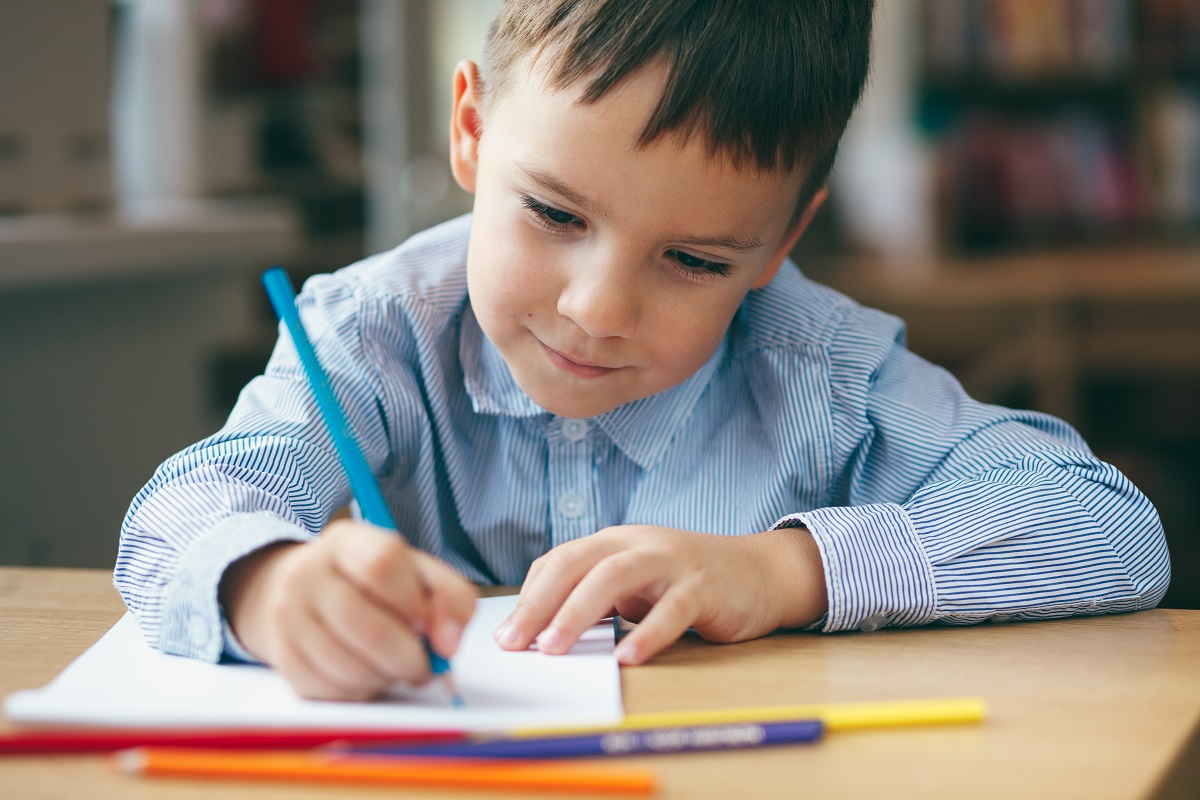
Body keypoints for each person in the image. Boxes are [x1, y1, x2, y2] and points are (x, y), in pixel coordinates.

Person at [115, 0, 1170, 702]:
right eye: (553, 213)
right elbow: (177, 513)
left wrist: (782, 568)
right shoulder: (373, 331)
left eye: (697, 260)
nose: (599, 308)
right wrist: (269, 581)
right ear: (473, 130)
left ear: (782, 240)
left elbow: (1107, 527)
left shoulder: (821, 373)